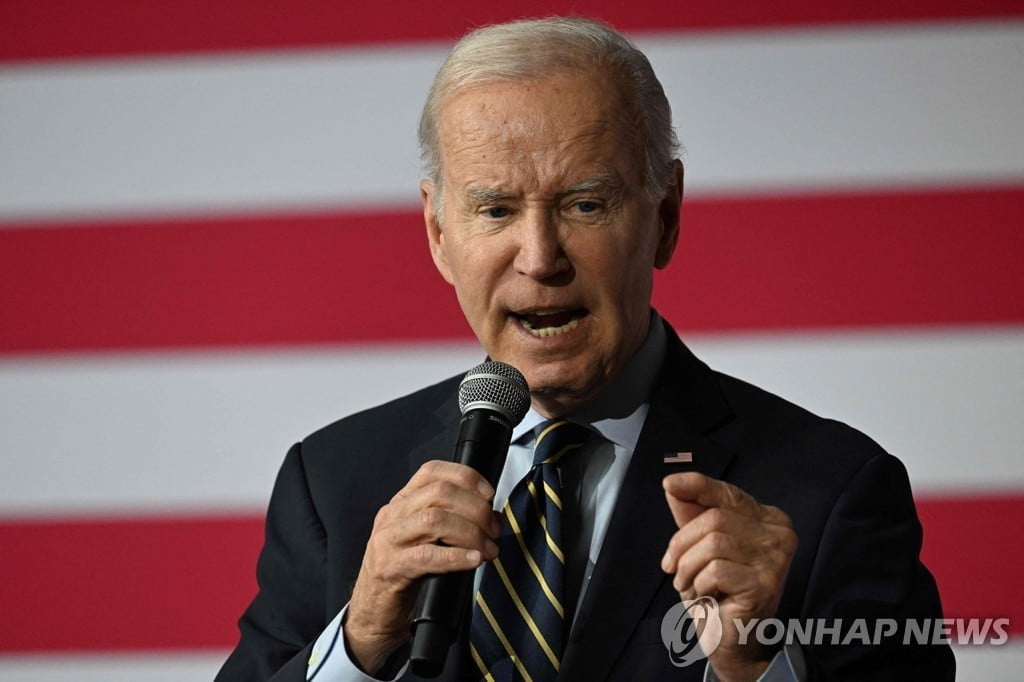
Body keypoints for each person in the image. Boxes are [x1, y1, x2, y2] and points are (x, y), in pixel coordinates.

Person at [218, 17, 954, 682]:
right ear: (439, 235)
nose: (539, 258)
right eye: (496, 209)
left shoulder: (832, 490)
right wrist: (358, 642)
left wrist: (758, 667)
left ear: (664, 217)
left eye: (585, 204)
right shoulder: (335, 481)